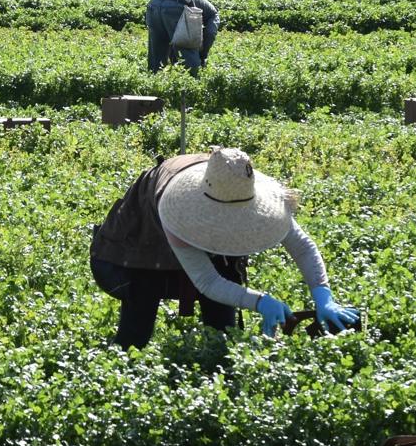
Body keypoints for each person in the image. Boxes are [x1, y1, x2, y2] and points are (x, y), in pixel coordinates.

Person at [90, 147, 358, 349]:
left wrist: (323, 296)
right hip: (134, 255)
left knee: (223, 337)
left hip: (194, 245)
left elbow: (302, 246)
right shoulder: (177, 210)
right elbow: (206, 281)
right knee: (135, 335)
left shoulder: (236, 186)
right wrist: (259, 301)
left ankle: (217, 363)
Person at [146, 0, 219, 75]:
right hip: (177, 3)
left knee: (156, 56)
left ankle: (154, 82)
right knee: (187, 48)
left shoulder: (201, 3)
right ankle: (192, 83)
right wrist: (203, 55)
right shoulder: (213, 15)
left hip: (154, 2)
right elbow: (210, 33)